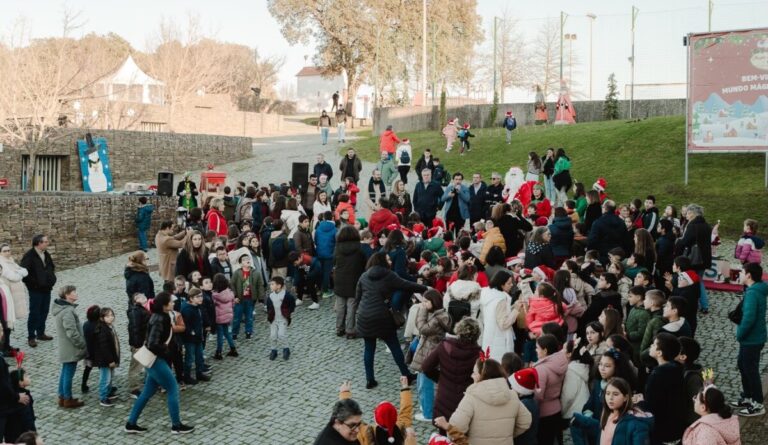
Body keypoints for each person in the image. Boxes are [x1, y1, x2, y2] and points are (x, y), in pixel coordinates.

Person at [125, 292, 194, 434]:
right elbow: (152, 344)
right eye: (171, 302)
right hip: (156, 360)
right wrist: (166, 352)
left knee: (147, 393)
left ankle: (131, 423)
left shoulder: (160, 316)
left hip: (155, 360)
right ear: (164, 305)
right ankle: (176, 425)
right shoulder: (159, 319)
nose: (173, 303)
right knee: (173, 388)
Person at [355, 252, 427, 389]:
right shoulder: (389, 275)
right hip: (382, 316)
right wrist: (425, 288)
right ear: (382, 261)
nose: (390, 261)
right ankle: (406, 374)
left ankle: (370, 379)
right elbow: (406, 285)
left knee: (369, 348)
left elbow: (357, 297)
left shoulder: (364, 276)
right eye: (388, 259)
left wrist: (358, 315)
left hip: (365, 316)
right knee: (394, 346)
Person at [434, 358, 532, 445]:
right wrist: (505, 437)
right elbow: (525, 422)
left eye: (474, 373)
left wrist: (446, 425)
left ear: (482, 375)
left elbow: (457, 429)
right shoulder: (512, 395)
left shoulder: (471, 397)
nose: (472, 375)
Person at [421, 318, 483, 421]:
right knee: (463, 434)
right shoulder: (479, 354)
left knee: (443, 433)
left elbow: (426, 367)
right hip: (466, 401)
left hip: (444, 399)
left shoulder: (445, 346)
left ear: (458, 330)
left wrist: (440, 378)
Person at [637, 333, 686, 444]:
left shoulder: (657, 375)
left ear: (659, 353)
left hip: (661, 429)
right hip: (675, 426)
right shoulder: (677, 369)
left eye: (654, 345)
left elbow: (651, 406)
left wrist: (640, 402)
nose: (651, 346)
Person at [732, 262, 767, 416]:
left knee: (750, 370)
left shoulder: (753, 293)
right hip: (752, 338)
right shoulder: (754, 290)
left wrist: (739, 334)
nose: (739, 274)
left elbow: (749, 318)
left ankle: (758, 403)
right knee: (743, 365)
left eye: (741, 272)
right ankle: (748, 396)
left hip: (751, 339)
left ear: (748, 275)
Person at [674, 204, 712, 314]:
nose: (687, 214)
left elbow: (685, 241)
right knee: (699, 280)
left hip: (694, 258)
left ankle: (698, 304)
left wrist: (677, 241)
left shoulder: (692, 225)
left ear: (694, 214)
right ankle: (704, 305)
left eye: (689, 212)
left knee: (692, 281)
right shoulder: (706, 225)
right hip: (704, 258)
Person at [20, 235, 56, 348]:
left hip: (47, 288)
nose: (47, 243)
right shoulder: (29, 256)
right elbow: (24, 274)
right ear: (38, 243)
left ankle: (41, 333)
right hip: (35, 290)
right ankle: (31, 337)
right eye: (45, 242)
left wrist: (52, 279)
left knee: (44, 311)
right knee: (34, 312)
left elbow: (51, 267)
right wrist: (34, 285)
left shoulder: (46, 254)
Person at [53, 285, 86, 408]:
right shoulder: (68, 311)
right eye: (74, 292)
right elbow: (71, 332)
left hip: (66, 347)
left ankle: (62, 396)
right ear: (67, 295)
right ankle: (67, 398)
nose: (76, 294)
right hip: (70, 348)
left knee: (65, 371)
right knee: (68, 374)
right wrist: (81, 344)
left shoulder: (64, 309)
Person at [532, 334, 568, 445]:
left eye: (537, 348)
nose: (536, 350)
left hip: (544, 413)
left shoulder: (541, 369)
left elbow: (538, 395)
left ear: (545, 350)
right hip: (557, 408)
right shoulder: (560, 363)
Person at [334, 226, 366, 338]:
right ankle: (350, 330)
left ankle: (339, 328)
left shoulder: (338, 247)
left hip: (339, 278)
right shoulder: (359, 248)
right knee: (352, 305)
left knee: (340, 305)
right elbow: (363, 263)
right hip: (354, 278)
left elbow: (334, 260)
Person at [479, 270, 519, 360]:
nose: (512, 285)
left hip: (489, 336)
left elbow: (497, 313)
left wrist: (512, 307)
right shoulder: (500, 299)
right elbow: (504, 324)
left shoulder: (487, 294)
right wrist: (516, 309)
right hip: (499, 341)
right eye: (509, 283)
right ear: (501, 285)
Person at [231, 254, 265, 339]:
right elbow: (232, 285)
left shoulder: (256, 273)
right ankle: (234, 333)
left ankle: (248, 332)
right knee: (237, 317)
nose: (247, 260)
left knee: (249, 317)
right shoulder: (237, 273)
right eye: (244, 259)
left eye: (248, 259)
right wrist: (235, 296)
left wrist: (261, 297)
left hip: (250, 299)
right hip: (239, 299)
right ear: (241, 264)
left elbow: (260, 285)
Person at [180, 289, 209, 385]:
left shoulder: (197, 306)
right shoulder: (187, 309)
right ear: (191, 299)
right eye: (198, 297)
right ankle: (187, 376)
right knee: (189, 358)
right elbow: (186, 325)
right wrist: (192, 333)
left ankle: (199, 373)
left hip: (198, 336)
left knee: (199, 356)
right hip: (190, 339)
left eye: (201, 296)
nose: (201, 298)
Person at [93, 307, 119, 407]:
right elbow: (104, 348)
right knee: (105, 378)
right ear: (102, 317)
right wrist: (110, 360)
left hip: (109, 358)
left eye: (112, 315)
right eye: (108, 316)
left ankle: (108, 393)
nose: (111, 317)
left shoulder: (109, 327)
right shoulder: (103, 330)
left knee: (110, 377)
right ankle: (103, 398)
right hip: (105, 360)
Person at [588, 200, 628, 266]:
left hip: (602, 255)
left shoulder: (598, 222)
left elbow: (592, 240)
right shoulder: (621, 222)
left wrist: (590, 253)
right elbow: (626, 239)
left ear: (604, 208)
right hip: (617, 255)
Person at [266, 276, 296, 361]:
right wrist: (269, 315)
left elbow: (292, 304)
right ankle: (273, 350)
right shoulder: (271, 296)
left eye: (272, 284)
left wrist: (288, 313)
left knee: (281, 334)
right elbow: (269, 306)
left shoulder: (286, 295)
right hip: (274, 319)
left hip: (282, 318)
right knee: (273, 335)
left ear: (278, 286)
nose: (270, 286)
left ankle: (286, 349)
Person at [127, 292, 150, 398]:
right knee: (136, 366)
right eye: (141, 297)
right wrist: (138, 345)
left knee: (147, 364)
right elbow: (135, 329)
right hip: (139, 344)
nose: (144, 297)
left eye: (144, 296)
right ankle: (133, 389)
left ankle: (148, 383)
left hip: (143, 342)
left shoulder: (141, 309)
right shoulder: (136, 311)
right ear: (135, 300)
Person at [212, 273, 238, 360]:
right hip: (228, 316)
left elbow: (213, 305)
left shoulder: (215, 295)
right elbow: (233, 303)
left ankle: (218, 352)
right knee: (227, 333)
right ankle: (233, 349)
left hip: (219, 318)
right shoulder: (230, 292)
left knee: (220, 335)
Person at [0, 244, 28, 322]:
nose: (7, 252)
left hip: (15, 293)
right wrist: (19, 273)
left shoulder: (11, 261)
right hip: (8, 293)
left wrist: (17, 272)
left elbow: (25, 271)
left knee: (11, 319)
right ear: (0, 253)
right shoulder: (2, 263)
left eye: (9, 250)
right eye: (4, 251)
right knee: (8, 318)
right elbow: (13, 277)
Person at [315, 211, 338, 298]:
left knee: (320, 272)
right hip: (329, 254)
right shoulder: (335, 229)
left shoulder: (318, 228)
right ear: (332, 218)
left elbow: (316, 241)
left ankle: (319, 289)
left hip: (319, 253)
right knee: (326, 273)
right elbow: (336, 243)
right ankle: (325, 291)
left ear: (324, 218)